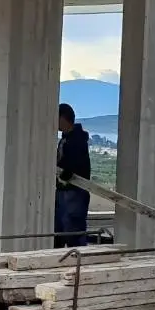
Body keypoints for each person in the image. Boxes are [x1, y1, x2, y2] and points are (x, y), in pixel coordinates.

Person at [54, 103, 91, 248]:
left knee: (73, 233)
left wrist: (65, 171)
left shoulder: (76, 140)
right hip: (65, 191)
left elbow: (75, 165)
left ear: (63, 118)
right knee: (60, 231)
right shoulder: (67, 139)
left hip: (74, 191)